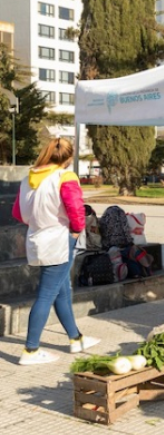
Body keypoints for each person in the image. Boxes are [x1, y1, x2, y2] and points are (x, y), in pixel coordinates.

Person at [12, 138, 101, 365]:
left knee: (62, 289)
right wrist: (76, 230)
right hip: (60, 238)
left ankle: (76, 339)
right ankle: (31, 350)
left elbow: (18, 213)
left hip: (37, 238)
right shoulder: (65, 177)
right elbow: (75, 207)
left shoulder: (28, 179)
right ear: (69, 158)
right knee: (47, 294)